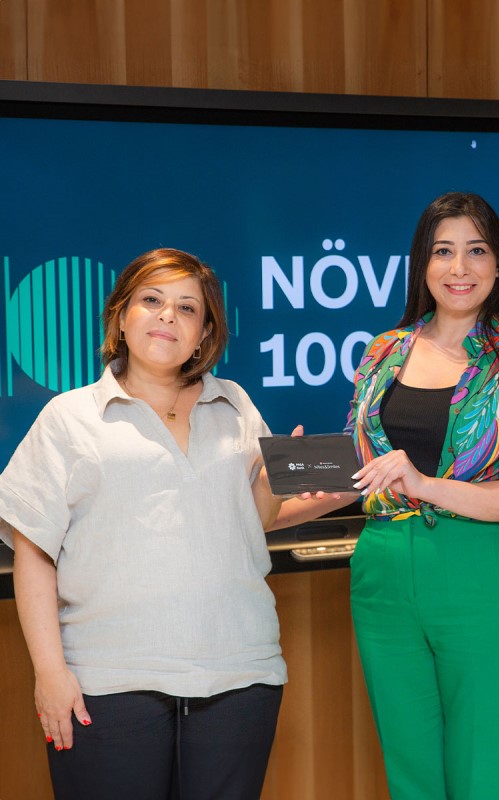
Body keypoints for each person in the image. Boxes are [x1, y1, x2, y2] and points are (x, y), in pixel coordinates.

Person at [0, 248, 309, 800]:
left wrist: (291, 482)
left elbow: (253, 519)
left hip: (240, 674)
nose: (168, 315)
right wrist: (50, 674)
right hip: (107, 681)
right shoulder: (69, 418)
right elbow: (34, 553)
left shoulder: (235, 404)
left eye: (187, 308)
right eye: (151, 300)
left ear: (204, 334)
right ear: (121, 316)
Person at [345, 191, 499, 799]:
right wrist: (298, 475)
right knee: (410, 775)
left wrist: (425, 485)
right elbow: (362, 470)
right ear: (422, 263)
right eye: (443, 251)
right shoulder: (382, 351)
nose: (459, 268)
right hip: (382, 575)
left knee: (482, 775)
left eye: (476, 251)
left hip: (478, 574)